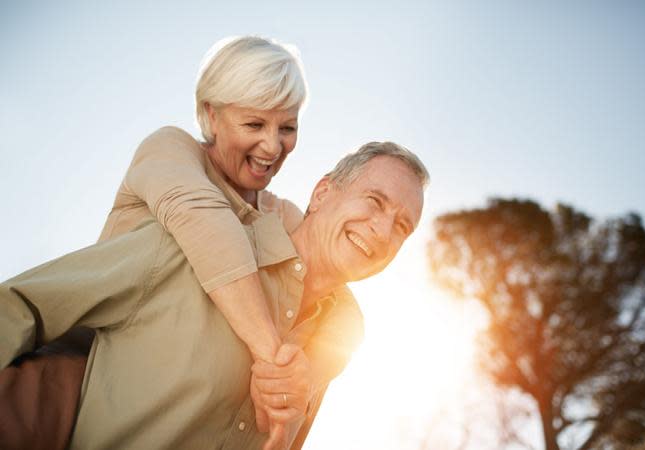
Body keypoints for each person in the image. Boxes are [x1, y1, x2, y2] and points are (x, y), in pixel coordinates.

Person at [0, 35, 343, 450]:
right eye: (254, 124)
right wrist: (273, 359)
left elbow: (325, 278)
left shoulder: (280, 214)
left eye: (287, 127)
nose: (273, 146)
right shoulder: (171, 152)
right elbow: (208, 225)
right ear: (211, 115)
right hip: (69, 397)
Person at [0, 142, 429, 449]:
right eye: (374, 201)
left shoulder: (331, 346)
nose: (383, 230)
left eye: (402, 226)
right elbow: (18, 306)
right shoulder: (182, 249)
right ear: (322, 193)